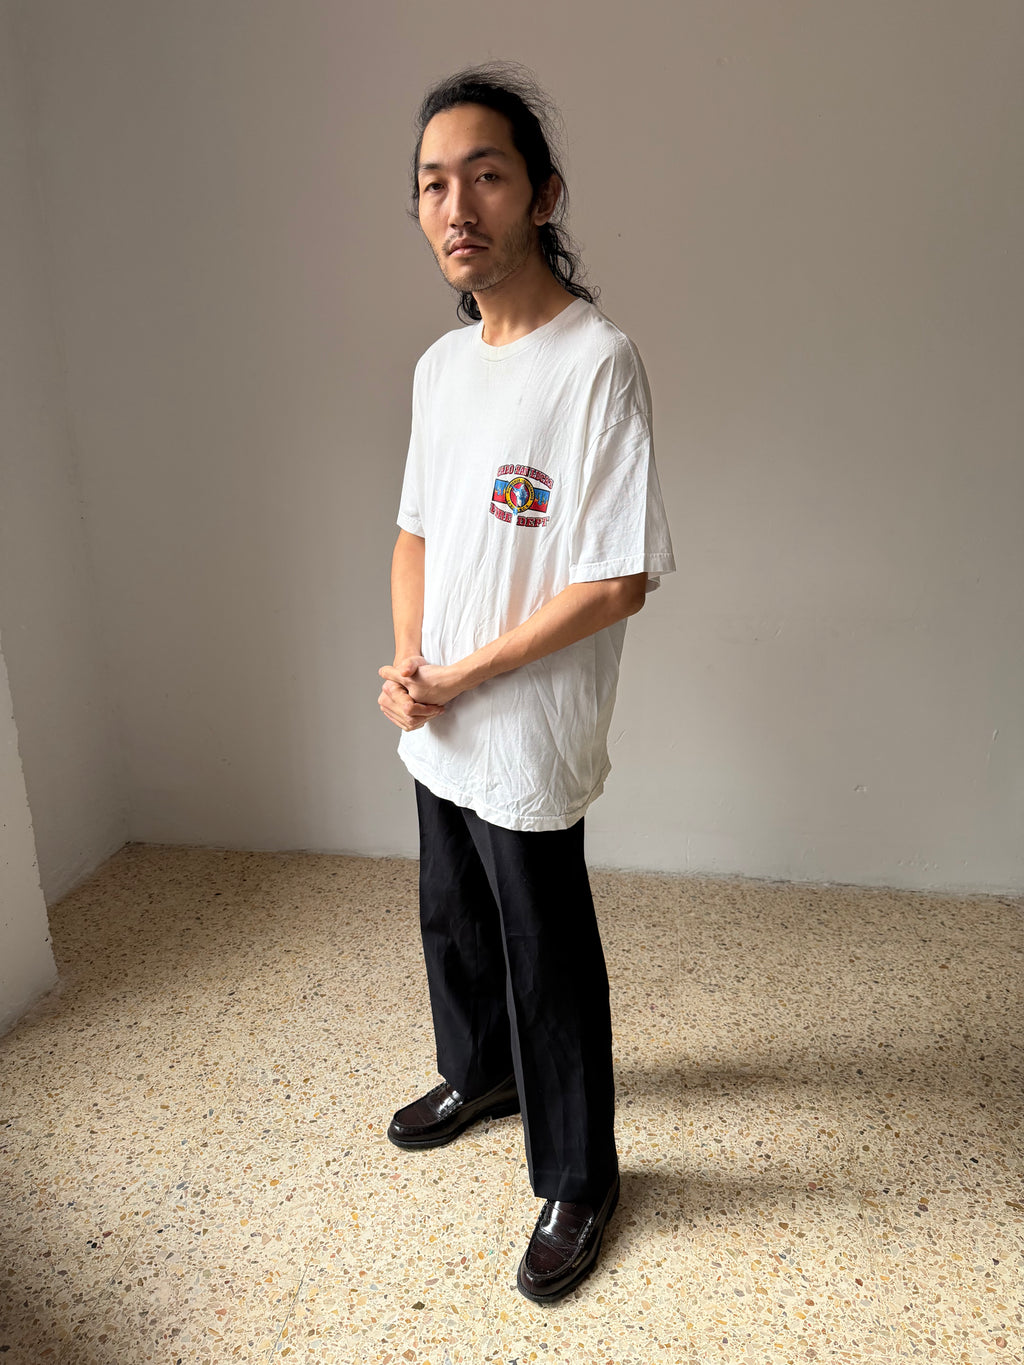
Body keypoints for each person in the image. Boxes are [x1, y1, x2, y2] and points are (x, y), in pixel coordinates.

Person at [376, 63, 675, 1304]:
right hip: (440, 708)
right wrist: (412, 664)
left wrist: (469, 671)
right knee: (451, 912)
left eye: (486, 176)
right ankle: (480, 1070)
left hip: (526, 720)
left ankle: (580, 1175)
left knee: (545, 950)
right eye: (433, 184)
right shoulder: (442, 368)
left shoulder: (596, 362)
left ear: (543, 195)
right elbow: (415, 532)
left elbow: (616, 580)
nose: (457, 207)